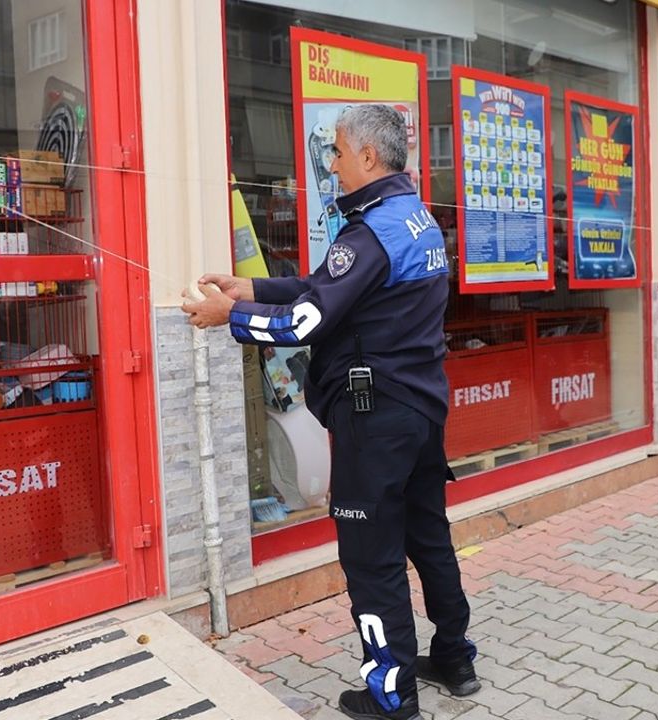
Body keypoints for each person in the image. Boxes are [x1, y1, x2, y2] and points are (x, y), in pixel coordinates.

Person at [183, 104, 477, 720]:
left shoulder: (370, 231)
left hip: (377, 420)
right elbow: (331, 288)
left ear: (368, 156)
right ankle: (455, 656)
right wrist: (252, 288)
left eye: (338, 152)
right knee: (429, 537)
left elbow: (306, 320)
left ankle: (391, 697)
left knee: (371, 558)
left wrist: (226, 317)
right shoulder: (415, 218)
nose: (333, 164)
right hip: (423, 410)